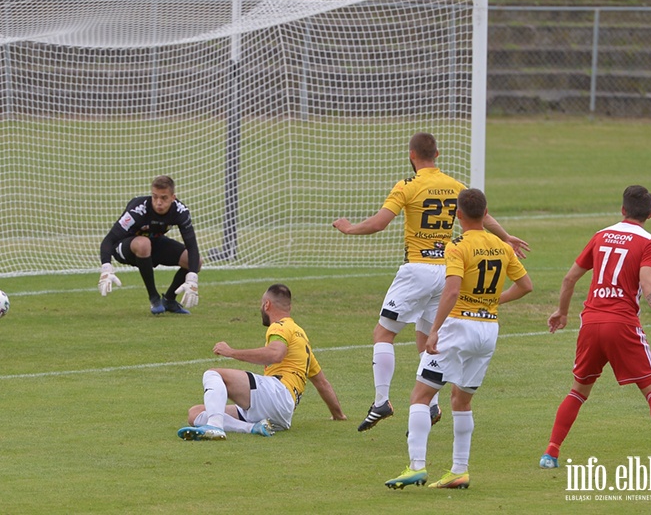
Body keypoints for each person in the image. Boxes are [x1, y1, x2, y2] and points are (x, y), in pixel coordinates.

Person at [332, 132, 529, 433]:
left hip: (419, 270)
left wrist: (349, 229)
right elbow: (483, 218)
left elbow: (379, 223)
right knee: (427, 341)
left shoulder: (407, 186)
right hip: (449, 269)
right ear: (437, 154)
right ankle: (432, 405)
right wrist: (507, 236)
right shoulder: (456, 186)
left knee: (383, 333)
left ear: (411, 155)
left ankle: (381, 400)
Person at [385, 188, 532, 490]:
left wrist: (435, 329)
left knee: (421, 396)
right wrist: (491, 302)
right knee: (461, 400)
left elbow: (451, 291)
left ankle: (416, 467)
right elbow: (526, 285)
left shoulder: (457, 246)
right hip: (488, 330)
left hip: (458, 328)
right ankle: (459, 470)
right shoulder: (502, 246)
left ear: (458, 215)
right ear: (485, 212)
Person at [539, 185, 651, 471]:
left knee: (577, 392)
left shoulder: (600, 235)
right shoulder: (650, 243)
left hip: (591, 322)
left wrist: (561, 312)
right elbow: (647, 284)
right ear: (650, 214)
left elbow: (569, 279)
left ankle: (550, 453)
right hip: (621, 324)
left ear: (622, 210)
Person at [176, 283, 346, 440]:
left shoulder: (280, 326)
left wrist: (231, 352)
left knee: (212, 374)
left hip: (277, 394)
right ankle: (252, 428)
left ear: (267, 305)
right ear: (290, 307)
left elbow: (275, 354)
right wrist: (338, 415)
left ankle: (214, 427)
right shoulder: (302, 340)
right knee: (196, 414)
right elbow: (322, 383)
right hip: (281, 415)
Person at [98, 175, 201, 315]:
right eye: (155, 197)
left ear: (173, 197)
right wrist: (106, 267)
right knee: (143, 243)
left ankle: (169, 300)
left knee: (195, 262)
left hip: (153, 245)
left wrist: (192, 278)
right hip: (125, 247)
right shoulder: (138, 209)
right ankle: (154, 298)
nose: (158, 202)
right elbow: (109, 239)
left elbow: (192, 246)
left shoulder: (180, 211)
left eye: (164, 198)